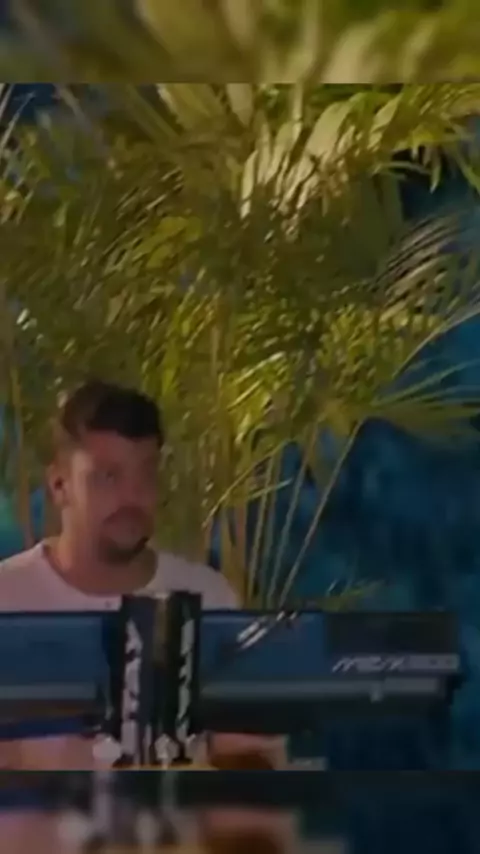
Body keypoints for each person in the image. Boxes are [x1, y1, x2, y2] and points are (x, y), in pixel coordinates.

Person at [0, 379, 285, 770]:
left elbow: (251, 761)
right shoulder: (9, 597)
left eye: (146, 475)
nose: (132, 497)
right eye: (108, 476)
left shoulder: (207, 596)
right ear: (59, 485)